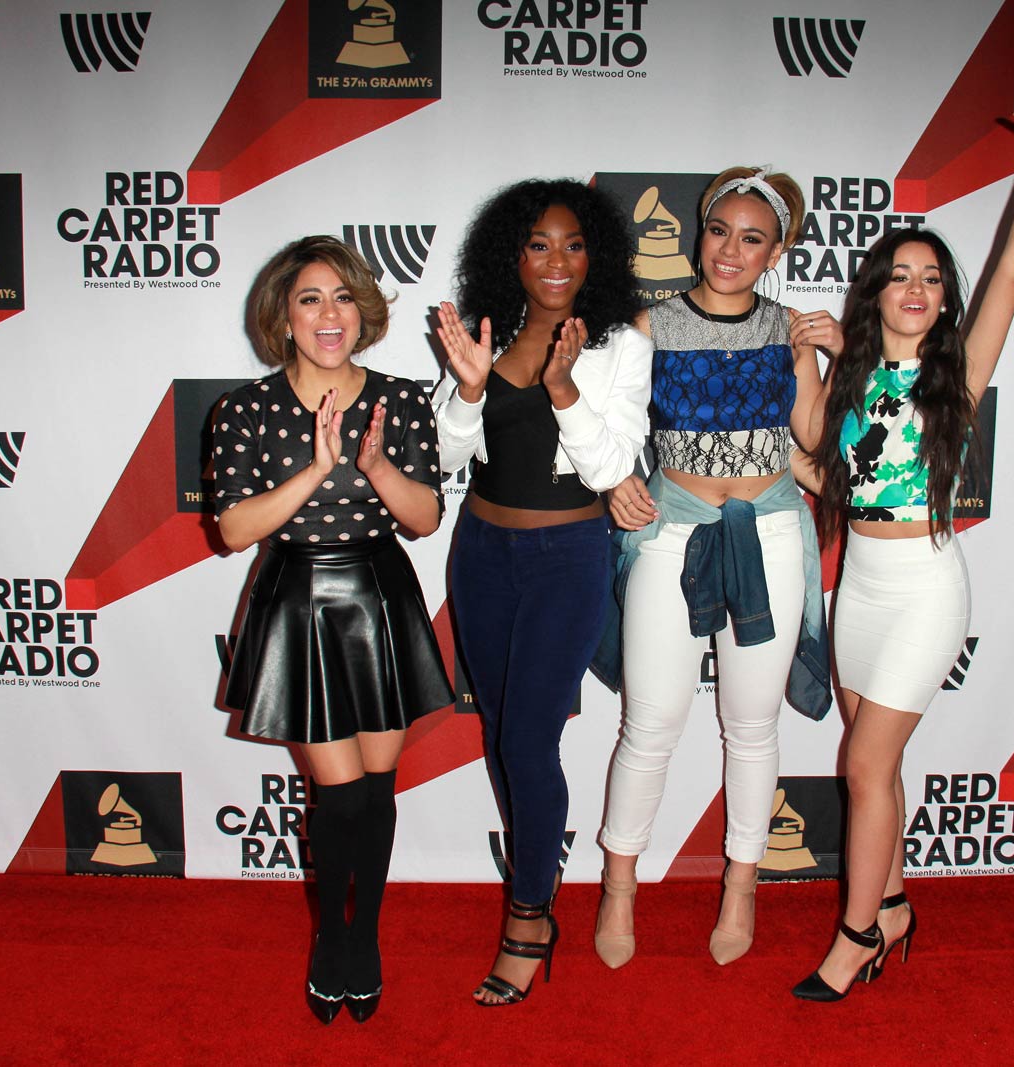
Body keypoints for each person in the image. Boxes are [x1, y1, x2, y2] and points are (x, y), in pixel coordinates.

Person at [795, 64, 1014, 1002]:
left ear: (944, 301)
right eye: (899, 274)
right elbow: (819, 460)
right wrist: (801, 362)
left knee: (864, 766)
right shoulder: (848, 376)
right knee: (873, 765)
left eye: (932, 278)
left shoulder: (958, 376)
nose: (916, 286)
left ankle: (855, 935)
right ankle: (892, 900)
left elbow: (1012, 266)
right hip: (856, 583)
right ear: (876, 293)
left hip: (928, 588)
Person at [591, 167, 843, 969]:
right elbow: (610, 426)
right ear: (700, 233)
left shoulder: (788, 331)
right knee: (651, 721)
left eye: (752, 238)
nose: (730, 250)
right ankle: (618, 888)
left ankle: (741, 884)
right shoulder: (650, 325)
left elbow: (813, 434)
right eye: (719, 231)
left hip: (768, 532)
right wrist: (617, 482)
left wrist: (833, 359)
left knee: (752, 725)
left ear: (777, 251)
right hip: (673, 530)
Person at [214, 236, 452, 1025]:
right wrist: (315, 469)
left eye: (343, 296)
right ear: (283, 314)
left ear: (363, 310)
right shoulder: (246, 408)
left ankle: (365, 939)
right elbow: (234, 530)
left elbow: (424, 518)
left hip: (379, 592)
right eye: (311, 297)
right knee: (339, 792)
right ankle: (329, 939)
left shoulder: (402, 397)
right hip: (299, 597)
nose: (329, 314)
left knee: (377, 791)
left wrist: (377, 467)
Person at [433, 179, 650, 1006]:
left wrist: (563, 390)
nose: (555, 261)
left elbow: (612, 465)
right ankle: (532, 887)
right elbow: (449, 461)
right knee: (499, 735)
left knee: (528, 744)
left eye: (572, 244)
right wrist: (467, 386)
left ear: (595, 254)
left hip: (567, 555)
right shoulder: (487, 334)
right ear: (510, 256)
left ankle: (531, 915)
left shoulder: (620, 346)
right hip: (482, 552)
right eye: (536, 244)